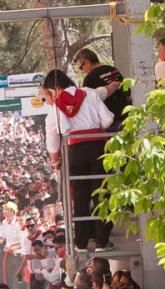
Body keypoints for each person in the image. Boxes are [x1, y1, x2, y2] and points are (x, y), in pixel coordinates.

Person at [41, 69, 115, 252]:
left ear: (56, 88)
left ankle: (81, 242)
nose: (49, 98)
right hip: (98, 147)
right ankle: (102, 241)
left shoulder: (55, 108)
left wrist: (56, 161)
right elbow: (108, 119)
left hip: (74, 152)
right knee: (101, 193)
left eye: (49, 93)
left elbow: (54, 140)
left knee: (80, 197)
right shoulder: (90, 93)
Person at [72, 47, 129, 132]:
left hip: (109, 124)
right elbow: (127, 91)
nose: (82, 71)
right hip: (126, 117)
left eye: (81, 68)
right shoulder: (114, 70)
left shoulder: (89, 78)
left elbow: (88, 105)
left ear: (87, 63)